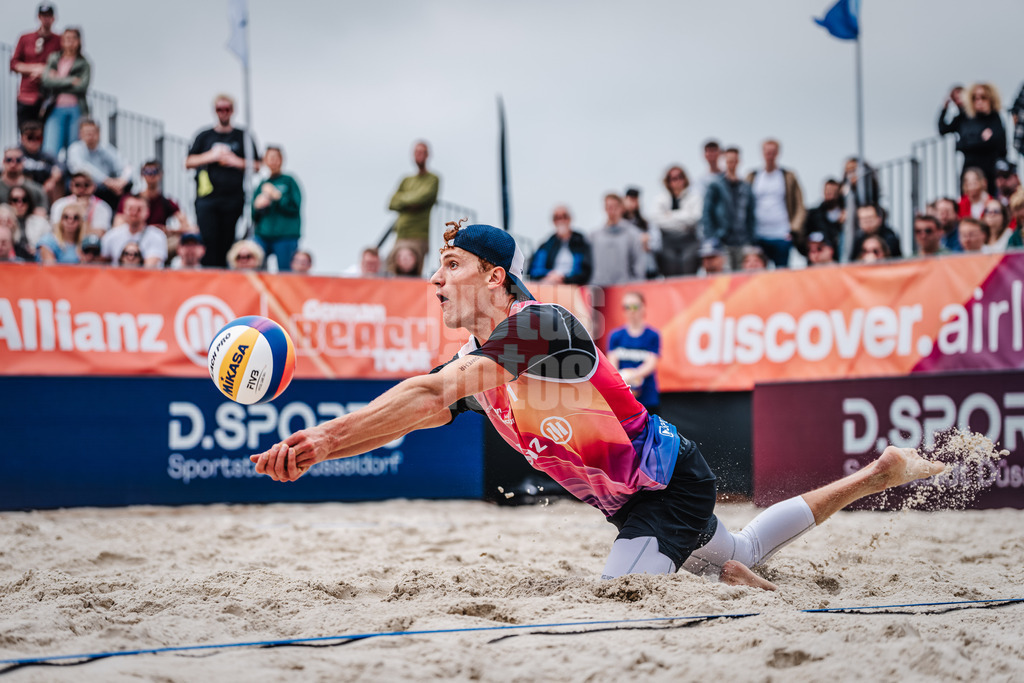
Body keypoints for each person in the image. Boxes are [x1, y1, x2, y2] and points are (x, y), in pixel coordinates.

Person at [250, 221, 947, 589]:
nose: (435, 281)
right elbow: (418, 409)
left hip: (665, 486)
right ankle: (877, 473)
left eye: (451, 267)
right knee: (744, 546)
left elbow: (431, 392)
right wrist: (321, 452)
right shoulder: (476, 363)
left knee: (624, 598)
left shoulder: (540, 325)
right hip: (633, 499)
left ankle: (731, 585)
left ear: (495, 278)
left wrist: (323, 439)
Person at [185, 94, 261, 268]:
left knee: (228, 240)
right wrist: (212, 156)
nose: (223, 112)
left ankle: (225, 274)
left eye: (227, 109)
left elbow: (257, 165)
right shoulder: (204, 136)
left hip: (233, 198)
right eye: (220, 109)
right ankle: (210, 274)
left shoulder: (243, 136)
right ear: (215, 111)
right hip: (207, 199)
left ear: (233, 111)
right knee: (208, 239)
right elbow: (188, 162)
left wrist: (235, 161)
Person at [745, 139, 806, 268]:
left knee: (782, 273)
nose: (770, 156)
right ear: (762, 153)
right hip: (758, 234)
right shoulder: (753, 177)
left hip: (781, 234)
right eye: (767, 152)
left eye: (773, 152)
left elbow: (800, 205)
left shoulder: (788, 176)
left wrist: (794, 229)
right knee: (758, 274)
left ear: (778, 153)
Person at [938, 83, 1007, 195]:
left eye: (983, 97)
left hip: (989, 170)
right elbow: (944, 130)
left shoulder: (995, 118)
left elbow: (999, 145)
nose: (979, 101)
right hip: (968, 168)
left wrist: (969, 142)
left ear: (991, 98)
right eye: (975, 98)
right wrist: (944, 109)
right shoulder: (965, 117)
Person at [387, 141, 439, 277]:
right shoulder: (406, 180)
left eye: (422, 152)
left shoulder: (433, 179)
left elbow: (422, 198)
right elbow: (392, 203)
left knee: (412, 271)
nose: (419, 155)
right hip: (400, 234)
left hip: (418, 235)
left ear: (428, 155)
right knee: (390, 268)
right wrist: (411, 200)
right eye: (416, 152)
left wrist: (403, 199)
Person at [39, 26, 90, 160]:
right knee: (50, 149)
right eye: (67, 38)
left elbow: (82, 87)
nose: (70, 42)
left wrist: (58, 80)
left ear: (79, 41)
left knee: (74, 151)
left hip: (76, 109)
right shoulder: (54, 58)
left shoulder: (84, 63)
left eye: (73, 38)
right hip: (55, 108)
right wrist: (71, 80)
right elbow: (46, 81)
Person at [702, 146, 755, 271]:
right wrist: (713, 237)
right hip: (723, 240)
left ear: (739, 161)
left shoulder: (746, 187)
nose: (731, 164)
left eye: (734, 160)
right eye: (729, 160)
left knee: (742, 275)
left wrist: (751, 238)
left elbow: (750, 214)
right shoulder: (715, 186)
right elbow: (707, 213)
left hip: (742, 240)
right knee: (726, 275)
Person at [608, 291, 661, 415]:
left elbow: (651, 364)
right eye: (627, 307)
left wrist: (632, 376)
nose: (631, 311)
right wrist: (623, 379)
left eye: (634, 306)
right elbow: (612, 365)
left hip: (647, 398)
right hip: (623, 398)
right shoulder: (616, 336)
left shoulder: (653, 335)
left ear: (643, 307)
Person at [10, 4, 61, 128]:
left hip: (49, 97)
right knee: (26, 132)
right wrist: (37, 68)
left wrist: (45, 72)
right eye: (43, 16)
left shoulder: (59, 40)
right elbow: (14, 64)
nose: (46, 19)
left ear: (53, 18)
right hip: (26, 95)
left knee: (46, 133)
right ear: (38, 17)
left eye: (48, 16)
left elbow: (65, 65)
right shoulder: (25, 38)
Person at [252, 145, 302, 271]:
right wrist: (257, 206)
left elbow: (295, 207)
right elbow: (253, 215)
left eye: (275, 158)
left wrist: (278, 196)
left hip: (286, 235)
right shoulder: (262, 184)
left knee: (285, 272)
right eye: (269, 158)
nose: (272, 161)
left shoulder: (289, 181)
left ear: (281, 160)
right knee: (255, 268)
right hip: (263, 234)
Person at [67, 119, 132, 210]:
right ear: (80, 134)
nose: (90, 135)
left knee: (129, 185)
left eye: (92, 132)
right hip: (87, 188)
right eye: (86, 133)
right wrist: (108, 182)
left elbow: (125, 165)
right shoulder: (75, 149)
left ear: (98, 133)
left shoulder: (106, 148)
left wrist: (121, 181)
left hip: (108, 188)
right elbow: (82, 169)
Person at [651, 165, 702, 276]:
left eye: (680, 177)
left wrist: (670, 215)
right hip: (668, 244)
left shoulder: (694, 197)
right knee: (671, 277)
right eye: (673, 178)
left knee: (689, 276)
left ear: (685, 179)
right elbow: (658, 220)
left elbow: (694, 218)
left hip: (689, 243)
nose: (677, 181)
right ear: (668, 181)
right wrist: (683, 221)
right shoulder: (660, 199)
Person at [590, 193, 647, 287]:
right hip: (601, 288)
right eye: (609, 207)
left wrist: (636, 284)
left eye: (615, 207)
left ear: (622, 208)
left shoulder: (633, 234)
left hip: (624, 287)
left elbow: (639, 265)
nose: (612, 210)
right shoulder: (594, 236)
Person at [527, 205, 592, 285]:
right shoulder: (546, 246)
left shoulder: (581, 244)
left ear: (570, 219)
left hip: (573, 286)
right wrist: (548, 274)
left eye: (564, 216)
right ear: (553, 221)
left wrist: (564, 279)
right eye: (557, 218)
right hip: (549, 285)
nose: (561, 220)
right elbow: (534, 270)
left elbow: (585, 271)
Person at [100, 195, 167, 268]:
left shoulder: (157, 236)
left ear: (147, 212)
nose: (134, 213)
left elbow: (150, 268)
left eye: (139, 209)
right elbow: (100, 264)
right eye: (130, 209)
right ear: (124, 210)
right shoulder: (111, 236)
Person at [49, 171, 111, 235]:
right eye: (77, 185)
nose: (82, 189)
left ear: (94, 186)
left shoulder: (103, 207)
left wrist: (84, 214)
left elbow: (99, 235)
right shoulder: (60, 204)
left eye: (86, 185)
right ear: (71, 186)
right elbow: (56, 231)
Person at [18, 120, 63, 205]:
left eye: (38, 138)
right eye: (30, 138)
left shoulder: (47, 155)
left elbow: (60, 168)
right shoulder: (16, 154)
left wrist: (52, 180)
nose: (34, 141)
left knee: (56, 183)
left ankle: (55, 211)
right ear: (22, 138)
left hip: (43, 190)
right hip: (21, 190)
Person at [796, 179, 844, 258]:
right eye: (827, 190)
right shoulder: (813, 215)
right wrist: (814, 251)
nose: (829, 193)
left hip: (840, 259)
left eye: (832, 191)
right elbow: (801, 239)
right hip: (817, 261)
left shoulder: (846, 215)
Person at [623, 187, 660, 279]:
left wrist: (647, 244)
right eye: (630, 200)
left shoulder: (646, 224)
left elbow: (657, 243)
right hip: (626, 269)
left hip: (646, 268)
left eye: (635, 200)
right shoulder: (619, 225)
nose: (633, 203)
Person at [0, 147, 48, 211]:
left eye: (18, 160)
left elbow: (43, 211)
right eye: (9, 160)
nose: (13, 164)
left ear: (23, 162)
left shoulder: (36, 190)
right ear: (3, 162)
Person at [6, 185, 50, 252]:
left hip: (35, 256)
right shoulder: (4, 221)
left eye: (24, 200)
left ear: (29, 202)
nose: (20, 204)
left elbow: (48, 244)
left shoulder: (40, 221)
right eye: (15, 200)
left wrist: (37, 250)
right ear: (10, 202)